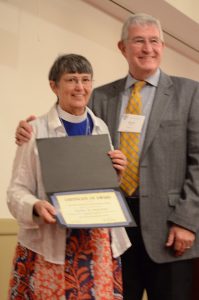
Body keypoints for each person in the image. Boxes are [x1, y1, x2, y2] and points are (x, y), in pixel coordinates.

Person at [14, 13, 199, 300]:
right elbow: (69, 127)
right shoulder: (100, 97)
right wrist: (28, 130)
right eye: (139, 41)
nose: (148, 49)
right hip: (111, 231)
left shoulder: (190, 92)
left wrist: (187, 220)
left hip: (169, 228)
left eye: (154, 41)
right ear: (123, 48)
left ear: (162, 46)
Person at [7, 53, 132, 300]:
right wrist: (35, 206)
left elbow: (98, 186)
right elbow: (15, 191)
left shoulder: (101, 127)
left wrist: (115, 173)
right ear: (54, 85)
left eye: (86, 80)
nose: (80, 87)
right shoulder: (34, 131)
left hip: (95, 246)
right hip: (50, 244)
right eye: (71, 80)